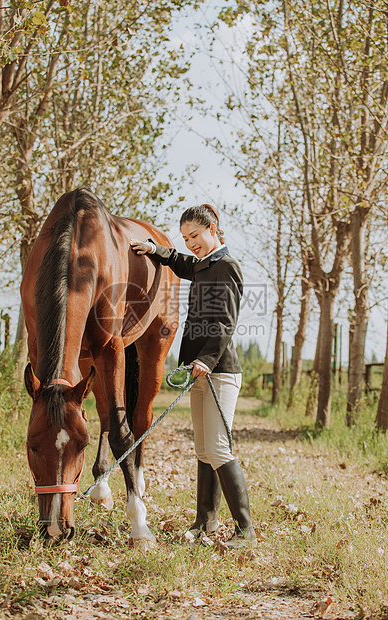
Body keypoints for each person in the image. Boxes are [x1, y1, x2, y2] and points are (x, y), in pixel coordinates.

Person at [130, 204, 257, 549]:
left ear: (213, 228)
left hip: (220, 371)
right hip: (199, 370)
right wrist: (158, 250)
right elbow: (183, 264)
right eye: (186, 238)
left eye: (196, 236)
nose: (191, 244)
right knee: (203, 449)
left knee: (218, 448)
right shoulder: (203, 265)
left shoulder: (227, 267)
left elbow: (224, 323)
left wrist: (205, 359)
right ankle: (205, 522)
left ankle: (246, 532)